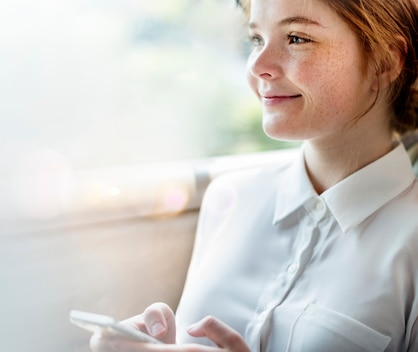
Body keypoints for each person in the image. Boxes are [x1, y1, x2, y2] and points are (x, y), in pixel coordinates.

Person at [90, 0, 418, 351]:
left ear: (385, 61)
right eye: (256, 39)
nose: (258, 66)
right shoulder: (228, 199)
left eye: (296, 38)